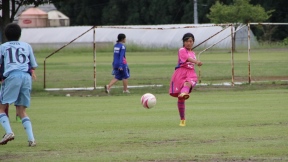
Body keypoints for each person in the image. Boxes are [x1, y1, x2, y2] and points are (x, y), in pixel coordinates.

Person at [0, 23, 38, 146]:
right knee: (21, 111)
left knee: (1, 108)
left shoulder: (3, 47)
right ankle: (31, 140)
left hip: (12, 76)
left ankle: (9, 132)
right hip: (26, 77)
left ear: (5, 35)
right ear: (19, 35)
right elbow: (33, 65)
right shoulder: (26, 46)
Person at [169, 33, 203, 127]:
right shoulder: (181, 50)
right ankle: (182, 119)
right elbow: (187, 59)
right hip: (180, 73)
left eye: (191, 41)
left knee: (188, 84)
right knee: (180, 98)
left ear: (193, 42)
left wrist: (196, 62)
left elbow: (191, 58)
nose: (189, 43)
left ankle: (184, 93)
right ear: (183, 42)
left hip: (191, 74)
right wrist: (196, 61)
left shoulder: (193, 53)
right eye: (187, 41)